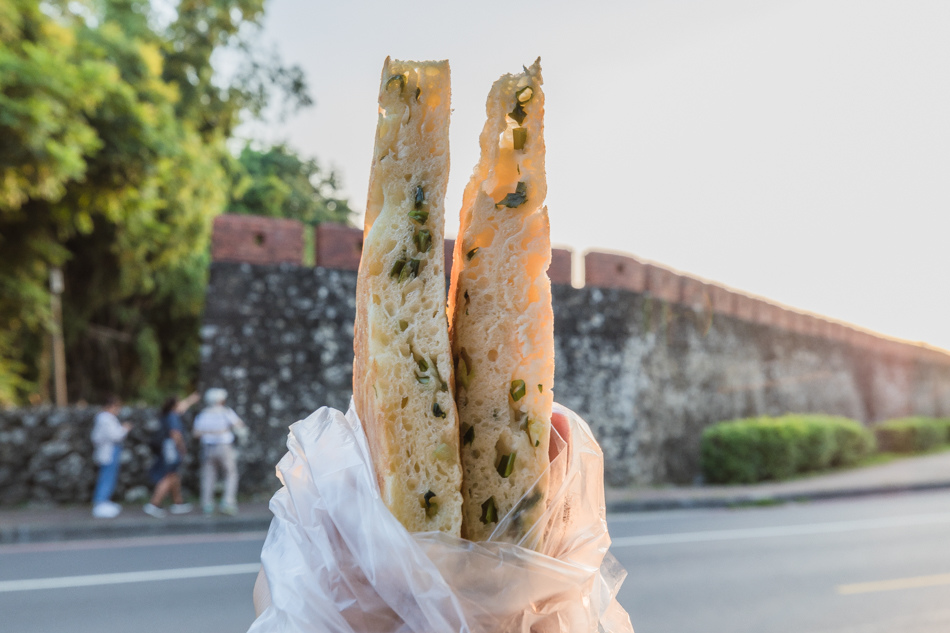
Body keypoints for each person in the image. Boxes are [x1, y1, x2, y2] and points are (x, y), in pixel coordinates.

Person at [143, 392, 200, 518]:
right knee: (169, 475)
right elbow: (176, 434)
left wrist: (191, 400)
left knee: (174, 475)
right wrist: (182, 447)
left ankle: (178, 503)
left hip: (166, 448)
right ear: (174, 406)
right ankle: (154, 504)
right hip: (171, 449)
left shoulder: (168, 414)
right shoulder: (173, 417)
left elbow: (183, 407)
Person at [193, 388, 247, 516]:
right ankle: (227, 502)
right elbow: (239, 425)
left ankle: (207, 504)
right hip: (224, 446)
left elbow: (196, 433)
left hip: (208, 448)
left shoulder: (204, 414)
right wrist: (222, 431)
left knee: (208, 475)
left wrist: (209, 432)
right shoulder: (226, 412)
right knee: (230, 473)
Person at [90, 395, 132, 518]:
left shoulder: (104, 418)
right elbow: (115, 435)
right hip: (109, 451)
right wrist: (125, 429)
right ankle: (100, 502)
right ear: (112, 406)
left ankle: (105, 501)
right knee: (106, 477)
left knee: (109, 476)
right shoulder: (105, 418)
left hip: (111, 450)